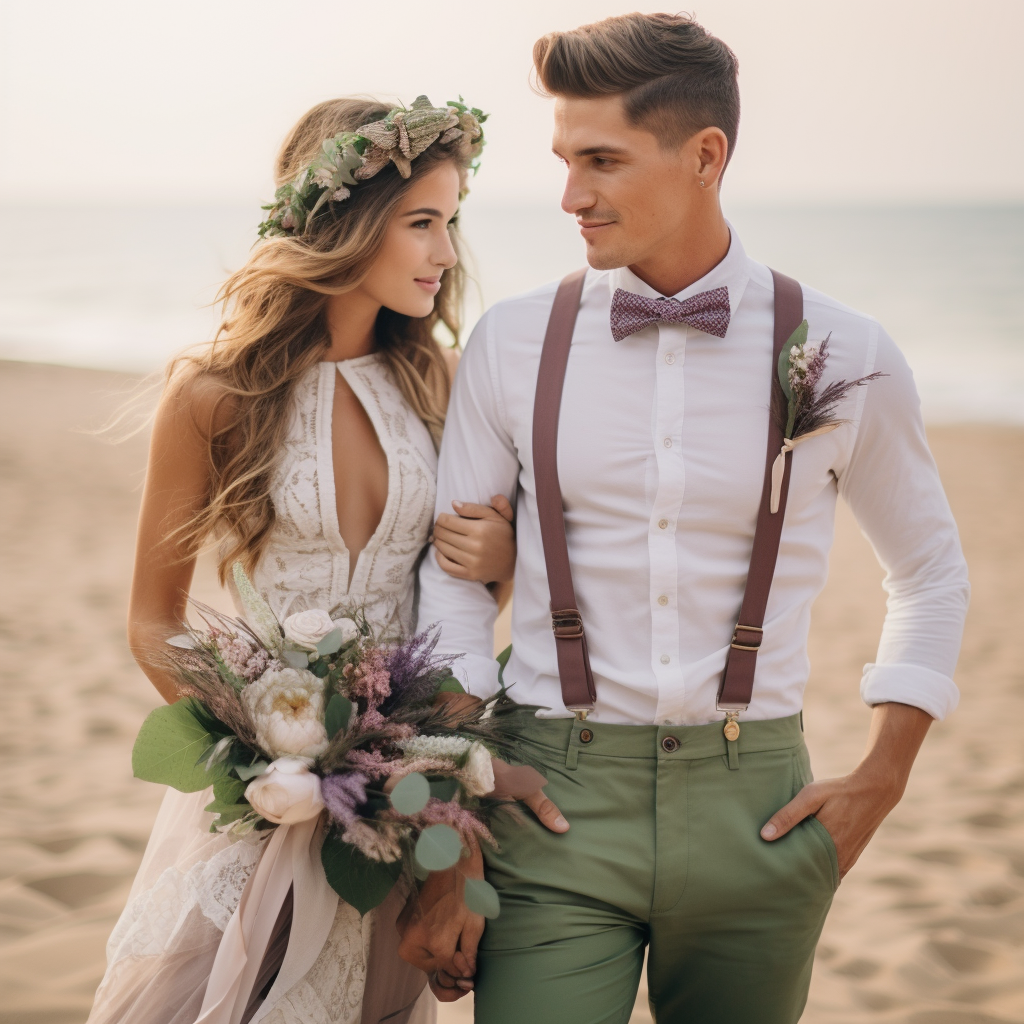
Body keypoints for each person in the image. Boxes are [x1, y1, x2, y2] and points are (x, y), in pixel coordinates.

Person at [402, 13, 970, 1023]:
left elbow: (927, 567)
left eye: (603, 160)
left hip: (756, 805)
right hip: (547, 795)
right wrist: (454, 796)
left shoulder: (845, 348)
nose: (571, 194)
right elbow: (450, 576)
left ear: (705, 156)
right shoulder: (513, 340)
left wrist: (882, 777)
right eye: (564, 159)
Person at [87, 94, 522, 1024]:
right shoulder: (215, 396)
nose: (446, 254)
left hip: (401, 798)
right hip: (265, 797)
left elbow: (468, 598)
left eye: (452, 223)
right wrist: (269, 745)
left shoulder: (436, 381)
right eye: (422, 224)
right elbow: (152, 620)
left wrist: (502, 554)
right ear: (343, 222)